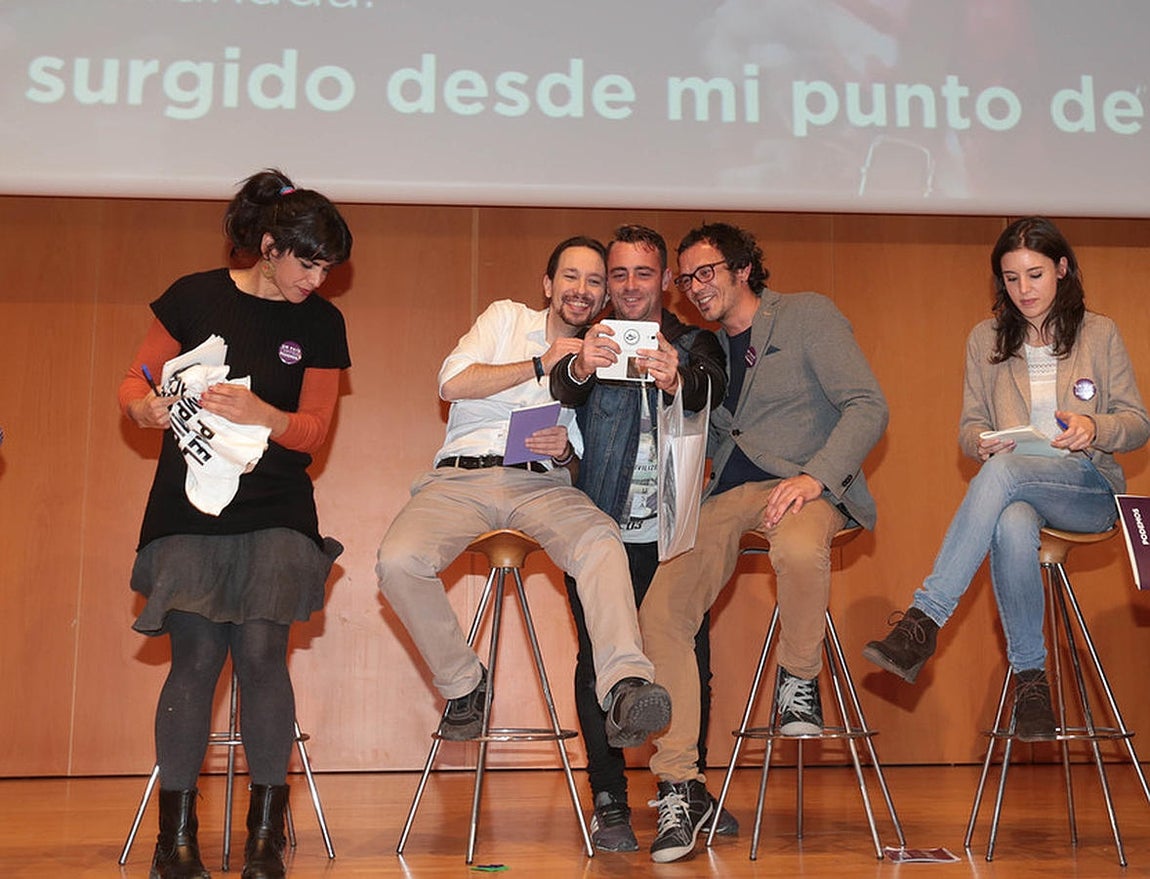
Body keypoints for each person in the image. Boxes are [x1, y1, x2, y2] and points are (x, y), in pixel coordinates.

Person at [119, 169, 352, 879]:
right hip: (189, 504)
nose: (316, 280)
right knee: (195, 658)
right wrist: (142, 408)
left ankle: (264, 838)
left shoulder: (321, 324)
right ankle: (176, 840)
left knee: (260, 654)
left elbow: (312, 432)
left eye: (327, 269)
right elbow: (135, 380)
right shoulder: (194, 296)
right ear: (270, 248)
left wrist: (265, 415)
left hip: (277, 507)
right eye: (307, 264)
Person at [637, 221, 888, 863]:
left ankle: (798, 681)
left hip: (807, 484)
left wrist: (815, 476)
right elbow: (706, 425)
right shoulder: (707, 348)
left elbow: (867, 405)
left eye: (706, 272)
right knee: (661, 610)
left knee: (797, 549)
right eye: (686, 279)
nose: (696, 287)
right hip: (729, 494)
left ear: (742, 268)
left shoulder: (806, 315)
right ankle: (678, 786)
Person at [375, 236, 671, 756]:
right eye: (571, 276)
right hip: (459, 480)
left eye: (594, 282)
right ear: (548, 284)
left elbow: (586, 459)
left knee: (602, 539)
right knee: (398, 562)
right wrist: (539, 364)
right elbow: (451, 384)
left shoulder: (603, 354)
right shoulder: (506, 318)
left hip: (540, 484)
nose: (581, 289)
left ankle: (625, 686)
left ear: (603, 297)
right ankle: (464, 682)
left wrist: (564, 451)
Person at [863, 216, 1150, 740]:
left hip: (1088, 487)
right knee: (1012, 521)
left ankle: (924, 620)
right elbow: (970, 425)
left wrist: (1094, 427)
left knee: (1005, 475)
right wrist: (979, 442)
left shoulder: (1099, 332)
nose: (1024, 290)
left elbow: (1137, 423)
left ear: (1061, 269)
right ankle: (1032, 685)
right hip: (1018, 482)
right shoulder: (985, 339)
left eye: (1035, 275)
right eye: (1012, 278)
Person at [550, 224, 731, 852]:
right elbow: (560, 389)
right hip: (598, 531)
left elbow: (713, 389)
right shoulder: (589, 342)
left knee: (688, 655)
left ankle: (688, 787)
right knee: (597, 661)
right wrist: (581, 364)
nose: (629, 286)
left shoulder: (693, 341)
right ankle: (610, 800)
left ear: (664, 281)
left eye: (643, 273)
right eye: (619, 274)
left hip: (674, 535)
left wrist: (679, 379)